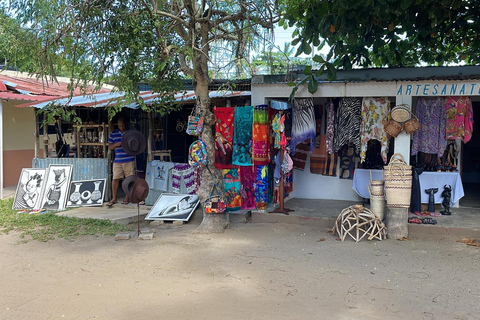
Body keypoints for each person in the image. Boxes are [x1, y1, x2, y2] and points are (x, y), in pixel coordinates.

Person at [107, 117, 135, 206]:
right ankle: (114, 198)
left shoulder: (130, 133)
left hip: (129, 159)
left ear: (125, 124)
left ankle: (127, 197)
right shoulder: (113, 133)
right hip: (118, 160)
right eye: (119, 125)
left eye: (122, 125)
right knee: (115, 179)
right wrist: (116, 144)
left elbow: (136, 145)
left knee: (129, 179)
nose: (121, 127)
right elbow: (110, 147)